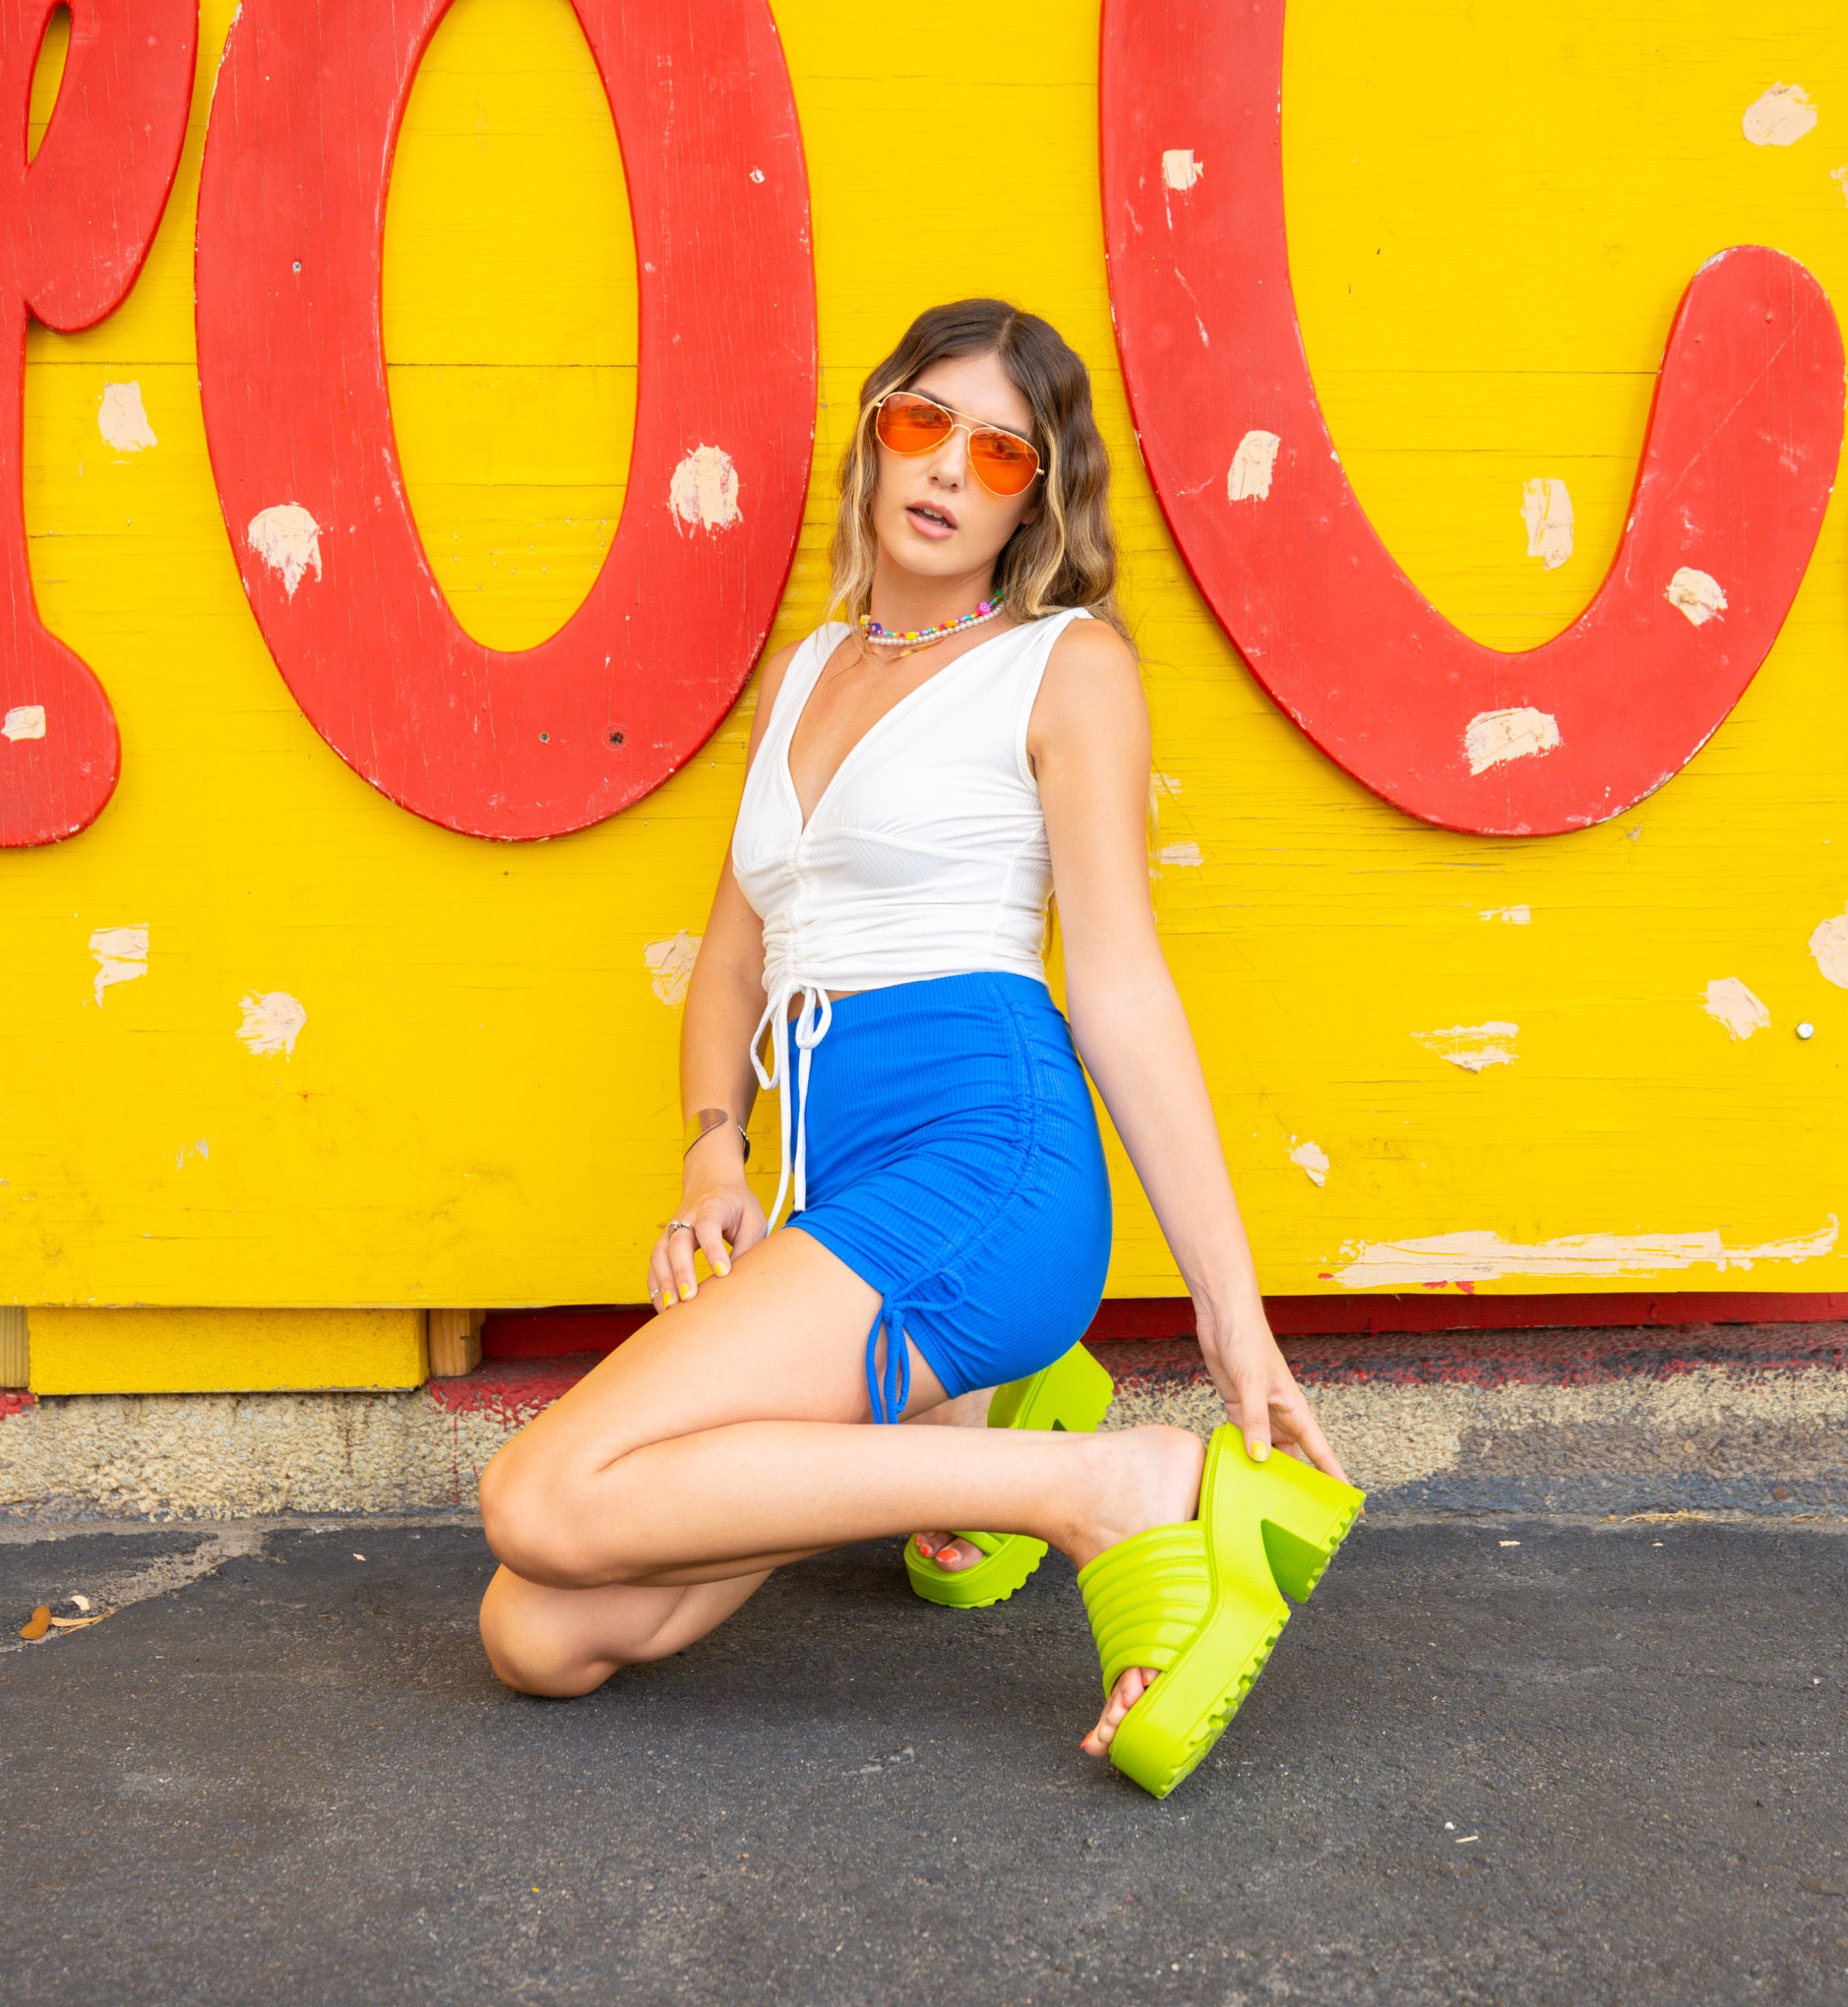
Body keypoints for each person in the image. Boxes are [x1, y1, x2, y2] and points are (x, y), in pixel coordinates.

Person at [479, 299, 1357, 1796]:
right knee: (537, 1632)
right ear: (878, 435)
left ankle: (1107, 1481)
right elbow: (733, 957)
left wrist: (1234, 1314)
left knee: (539, 1496)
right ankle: (994, 1415)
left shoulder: (1065, 666)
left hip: (986, 1163)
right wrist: (710, 1160)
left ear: (1039, 500)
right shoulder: (807, 669)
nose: (950, 466)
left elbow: (1122, 988)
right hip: (841, 1189)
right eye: (924, 422)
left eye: (1001, 452)